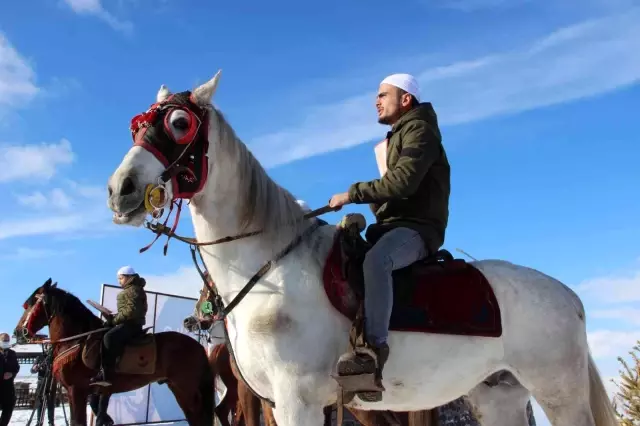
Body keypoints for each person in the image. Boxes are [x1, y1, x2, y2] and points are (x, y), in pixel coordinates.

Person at [329, 73, 451, 395]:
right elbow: (394, 196)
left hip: (418, 229)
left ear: (406, 99)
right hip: (396, 224)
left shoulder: (420, 131)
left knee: (376, 262)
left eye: (383, 95)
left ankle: (374, 351)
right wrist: (365, 215)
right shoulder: (396, 137)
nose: (376, 101)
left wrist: (351, 194)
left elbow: (403, 183)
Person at [90, 266, 148, 387]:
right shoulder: (133, 289)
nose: (119, 281)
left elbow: (131, 311)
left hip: (131, 325)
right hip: (128, 322)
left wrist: (114, 320)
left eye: (120, 278)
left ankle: (106, 373)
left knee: (108, 337)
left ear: (128, 277)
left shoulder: (133, 290)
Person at [31, 347, 56, 426]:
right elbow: (32, 370)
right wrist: (35, 368)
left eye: (49, 346)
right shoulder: (40, 357)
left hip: (51, 382)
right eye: (46, 346)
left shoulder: (54, 357)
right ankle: (39, 422)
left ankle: (51, 422)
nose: (48, 348)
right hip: (41, 382)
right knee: (40, 403)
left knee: (51, 403)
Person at [0, 333, 19, 426]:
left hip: (8, 386)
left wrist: (12, 374)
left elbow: (16, 367)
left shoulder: (12, 354)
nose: (6, 342)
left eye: (7, 340)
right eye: (4, 340)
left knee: (8, 408)